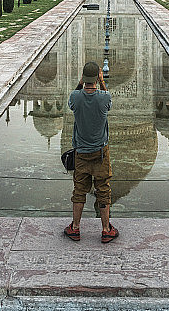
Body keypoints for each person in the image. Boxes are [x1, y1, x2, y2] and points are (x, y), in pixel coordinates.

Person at [64, 61, 118, 244]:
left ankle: (76, 228)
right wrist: (102, 82)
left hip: (81, 152)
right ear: (97, 78)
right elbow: (106, 96)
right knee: (103, 189)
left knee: (79, 190)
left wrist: (81, 83)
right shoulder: (104, 98)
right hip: (100, 153)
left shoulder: (75, 97)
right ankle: (105, 229)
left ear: (83, 79)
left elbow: (74, 98)